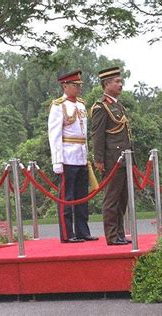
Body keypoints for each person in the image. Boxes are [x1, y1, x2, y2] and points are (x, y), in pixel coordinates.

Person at [48, 69, 98, 243]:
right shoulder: (58, 105)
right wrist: (57, 161)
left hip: (81, 156)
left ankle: (83, 231)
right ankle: (68, 234)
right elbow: (54, 135)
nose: (78, 88)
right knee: (67, 198)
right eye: (75, 85)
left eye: (79, 85)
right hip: (67, 156)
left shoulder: (81, 105)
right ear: (65, 86)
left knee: (81, 197)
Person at [91, 67, 133, 246]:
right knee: (112, 199)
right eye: (117, 81)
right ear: (107, 84)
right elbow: (98, 135)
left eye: (120, 81)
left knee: (122, 199)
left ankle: (120, 234)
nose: (120, 84)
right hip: (111, 160)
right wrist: (99, 159)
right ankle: (112, 236)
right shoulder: (101, 107)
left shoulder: (118, 105)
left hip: (124, 158)